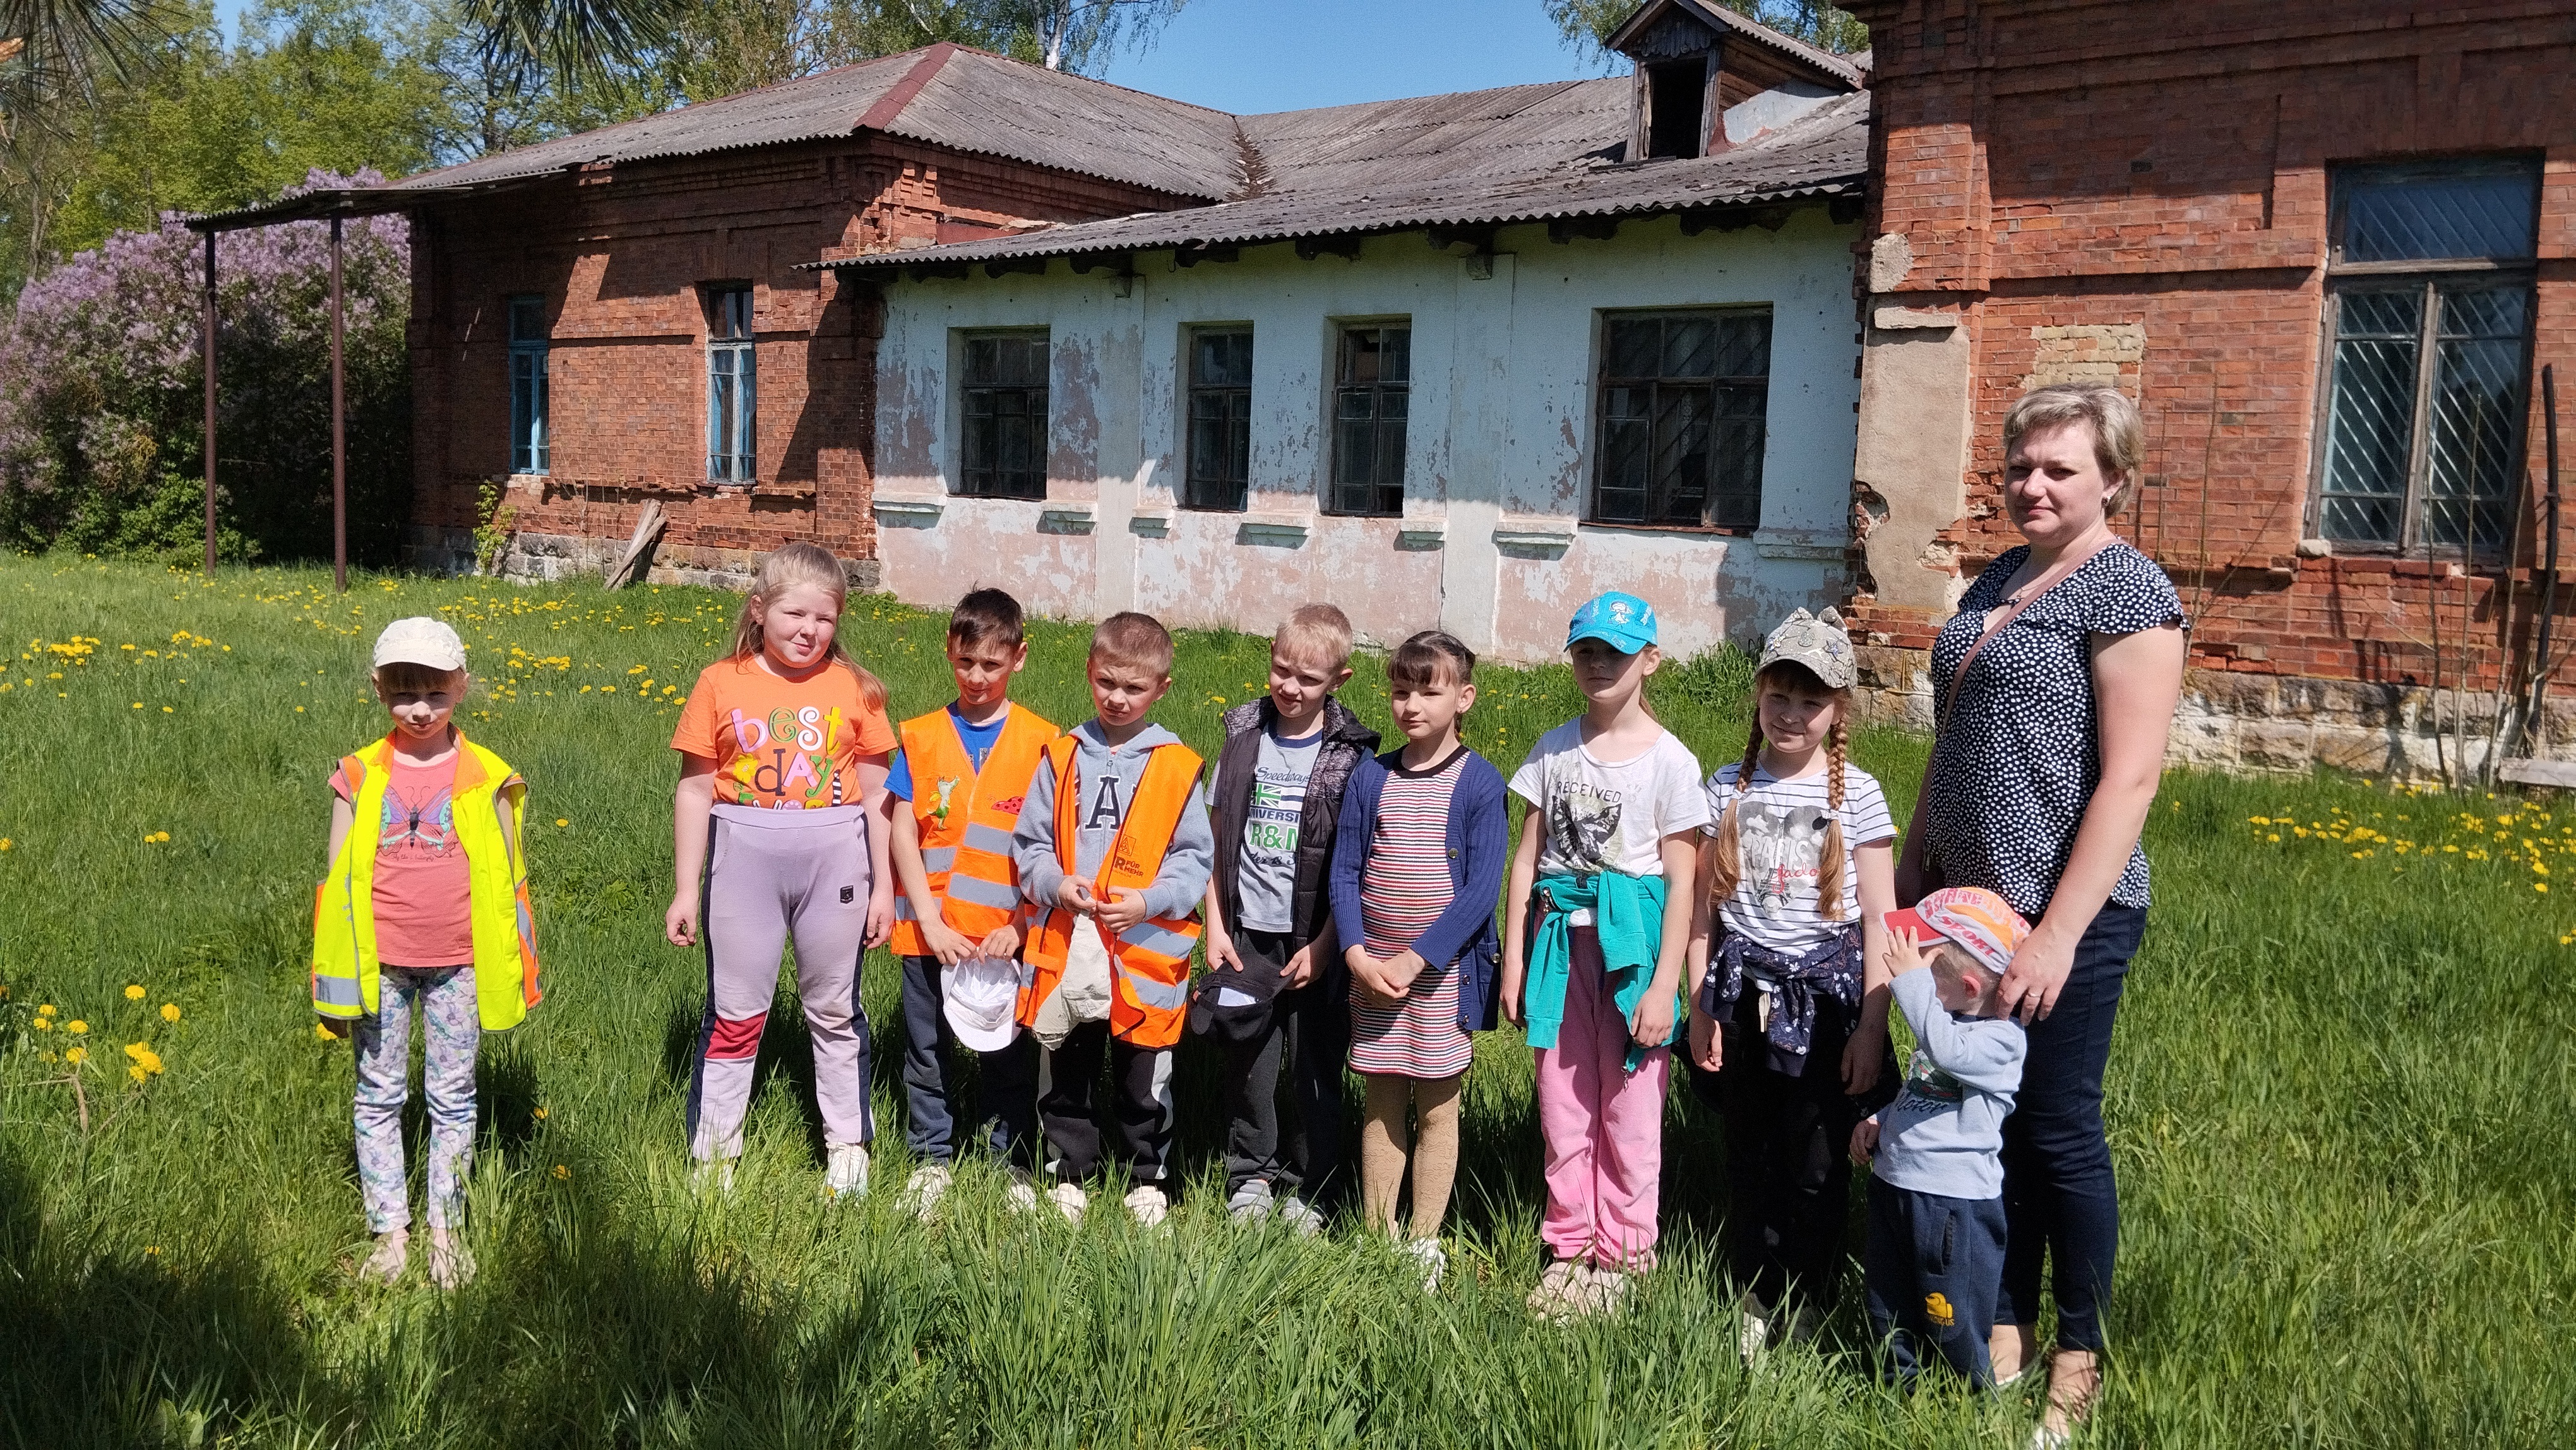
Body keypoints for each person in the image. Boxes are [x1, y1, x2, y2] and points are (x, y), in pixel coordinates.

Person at [1894, 383, 2187, 1442]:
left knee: (2059, 1131)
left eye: (2060, 468)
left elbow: (2131, 780)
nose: (2033, 485)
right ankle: (2002, 1314)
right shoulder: (1999, 579)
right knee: (1988, 1117)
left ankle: (2078, 1350)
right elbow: (1952, 741)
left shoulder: (2131, 591)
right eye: (2022, 466)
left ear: (2114, 477)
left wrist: (2060, 932)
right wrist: (1910, 883)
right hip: (1969, 912)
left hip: (2070, 914)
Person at [1685, 606, 1898, 1357]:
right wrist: (1699, 1007)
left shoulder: (1858, 797)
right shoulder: (1723, 790)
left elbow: (1881, 921)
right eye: (1780, 697)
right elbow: (1703, 916)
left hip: (1829, 1008)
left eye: (1812, 703)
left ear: (1838, 710)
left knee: (1815, 1160)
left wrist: (1872, 1029)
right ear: (1757, 695)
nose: (1793, 716)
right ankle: (1755, 1291)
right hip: (1742, 1000)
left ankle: (1807, 1296)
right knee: (1750, 1155)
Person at [313, 616, 541, 1289]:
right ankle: (391, 1233)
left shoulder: (488, 776)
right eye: (403, 692)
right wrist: (332, 982)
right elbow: (335, 887)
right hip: (378, 967)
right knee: (378, 1095)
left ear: (462, 687)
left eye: (435, 693)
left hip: (460, 965)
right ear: (378, 688)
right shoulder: (356, 776)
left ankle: (447, 1230)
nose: (419, 708)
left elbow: (511, 884)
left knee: (453, 1096)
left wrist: (516, 967)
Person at [664, 542, 898, 1196]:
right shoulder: (721, 681)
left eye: (824, 619)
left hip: (839, 867)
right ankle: (714, 1155)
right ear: (760, 609)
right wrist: (687, 888)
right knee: (736, 1012)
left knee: (834, 1009)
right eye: (794, 614)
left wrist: (884, 886)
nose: (809, 631)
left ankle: (848, 1146)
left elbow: (881, 795)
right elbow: (694, 790)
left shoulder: (856, 689)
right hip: (743, 864)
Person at [1502, 592, 1710, 1316]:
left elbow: (1685, 882)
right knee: (1563, 1105)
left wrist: (1665, 987)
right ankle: (1568, 1246)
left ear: (1649, 660)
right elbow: (1525, 861)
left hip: (1633, 954)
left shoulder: (1673, 762)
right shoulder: (1553, 748)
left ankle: (1623, 1255)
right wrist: (1514, 961)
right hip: (1559, 949)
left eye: (1615, 653)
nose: (1598, 665)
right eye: (1586, 651)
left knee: (1630, 1109)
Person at [1011, 611, 1214, 1226]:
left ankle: (1145, 1176)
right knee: (1065, 1055)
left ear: (1162, 689)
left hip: (1142, 949)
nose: (1118, 698)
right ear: (1090, 672)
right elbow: (1030, 845)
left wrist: (1148, 902)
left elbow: (1193, 860)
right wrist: (1054, 883)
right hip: (1068, 943)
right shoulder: (1061, 755)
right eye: (1107, 683)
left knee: (1143, 1066)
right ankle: (1068, 1170)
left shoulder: (1177, 765)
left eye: (1134, 687)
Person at [1327, 630, 1507, 1291]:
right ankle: (1378, 1235)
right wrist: (1355, 952)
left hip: (1441, 980)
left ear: (1464, 698)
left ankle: (1424, 1238)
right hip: (1372, 974)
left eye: (1427, 691)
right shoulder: (1372, 774)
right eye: (1400, 690)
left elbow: (1482, 889)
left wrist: (1418, 959)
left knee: (1436, 1106)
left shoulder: (1480, 782)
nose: (1410, 705)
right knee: (1380, 1099)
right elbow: (1346, 872)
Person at [1195, 604, 1379, 1233]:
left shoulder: (1351, 757)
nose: (1290, 687)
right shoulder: (1243, 737)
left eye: (1308, 678)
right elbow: (1212, 841)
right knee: (1248, 1058)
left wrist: (1329, 944)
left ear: (1339, 680)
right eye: (1280, 669)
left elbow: (1354, 863)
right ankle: (1251, 1172)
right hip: (1247, 932)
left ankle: (1313, 1183)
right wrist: (1214, 926)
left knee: (1313, 1066)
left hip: (1315, 941)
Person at [885, 587, 1056, 1218]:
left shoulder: (1044, 743)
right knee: (925, 1050)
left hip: (1004, 940)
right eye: (965, 663)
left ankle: (1006, 1160)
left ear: (1019, 658)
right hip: (929, 933)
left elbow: (1050, 845)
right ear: (949, 654)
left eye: (991, 663)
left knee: (1009, 1053)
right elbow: (902, 826)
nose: (977, 677)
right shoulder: (923, 736)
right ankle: (931, 1157)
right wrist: (927, 919)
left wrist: (1021, 923)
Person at [1849, 887, 2031, 1390]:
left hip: (1952, 1207)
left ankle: (1974, 1394)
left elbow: (1946, 1054)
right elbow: (1924, 1090)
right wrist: (1884, 1120)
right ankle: (1899, 1392)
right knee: (1888, 1303)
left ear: (1969, 986)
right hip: (1897, 1189)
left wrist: (1908, 981)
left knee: (1950, 1315)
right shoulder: (1945, 1027)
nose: (1918, 984)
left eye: (1928, 974)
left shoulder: (2000, 1043)